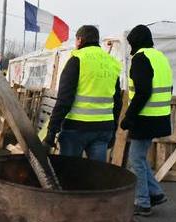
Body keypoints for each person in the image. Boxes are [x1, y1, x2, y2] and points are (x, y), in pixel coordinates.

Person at [43, 25, 122, 162]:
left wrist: (51, 131)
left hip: (76, 129)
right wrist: (114, 129)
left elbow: (64, 99)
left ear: (79, 39)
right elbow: (117, 101)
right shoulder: (112, 62)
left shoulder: (77, 59)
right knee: (96, 175)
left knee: (70, 173)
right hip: (104, 129)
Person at [121, 24, 171, 216]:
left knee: (136, 159)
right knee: (139, 158)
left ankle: (143, 202)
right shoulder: (160, 57)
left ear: (135, 41)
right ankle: (156, 193)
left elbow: (142, 92)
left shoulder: (141, 59)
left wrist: (128, 117)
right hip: (160, 117)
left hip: (145, 118)